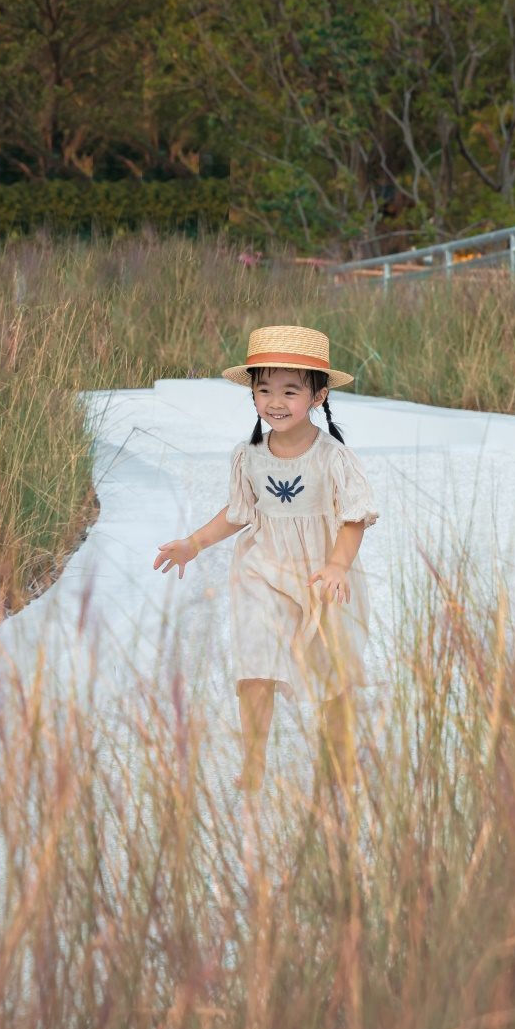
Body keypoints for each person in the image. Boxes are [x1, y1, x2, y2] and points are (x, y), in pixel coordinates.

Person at [152, 324, 380, 798]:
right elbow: (239, 513)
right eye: (264, 390)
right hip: (263, 571)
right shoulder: (249, 456)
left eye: (290, 390)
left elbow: (355, 517)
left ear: (318, 395)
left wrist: (338, 565)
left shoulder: (333, 458)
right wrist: (193, 543)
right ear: (252, 395)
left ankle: (338, 759)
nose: (276, 401)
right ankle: (253, 761)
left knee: (332, 670)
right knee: (255, 662)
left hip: (322, 576)